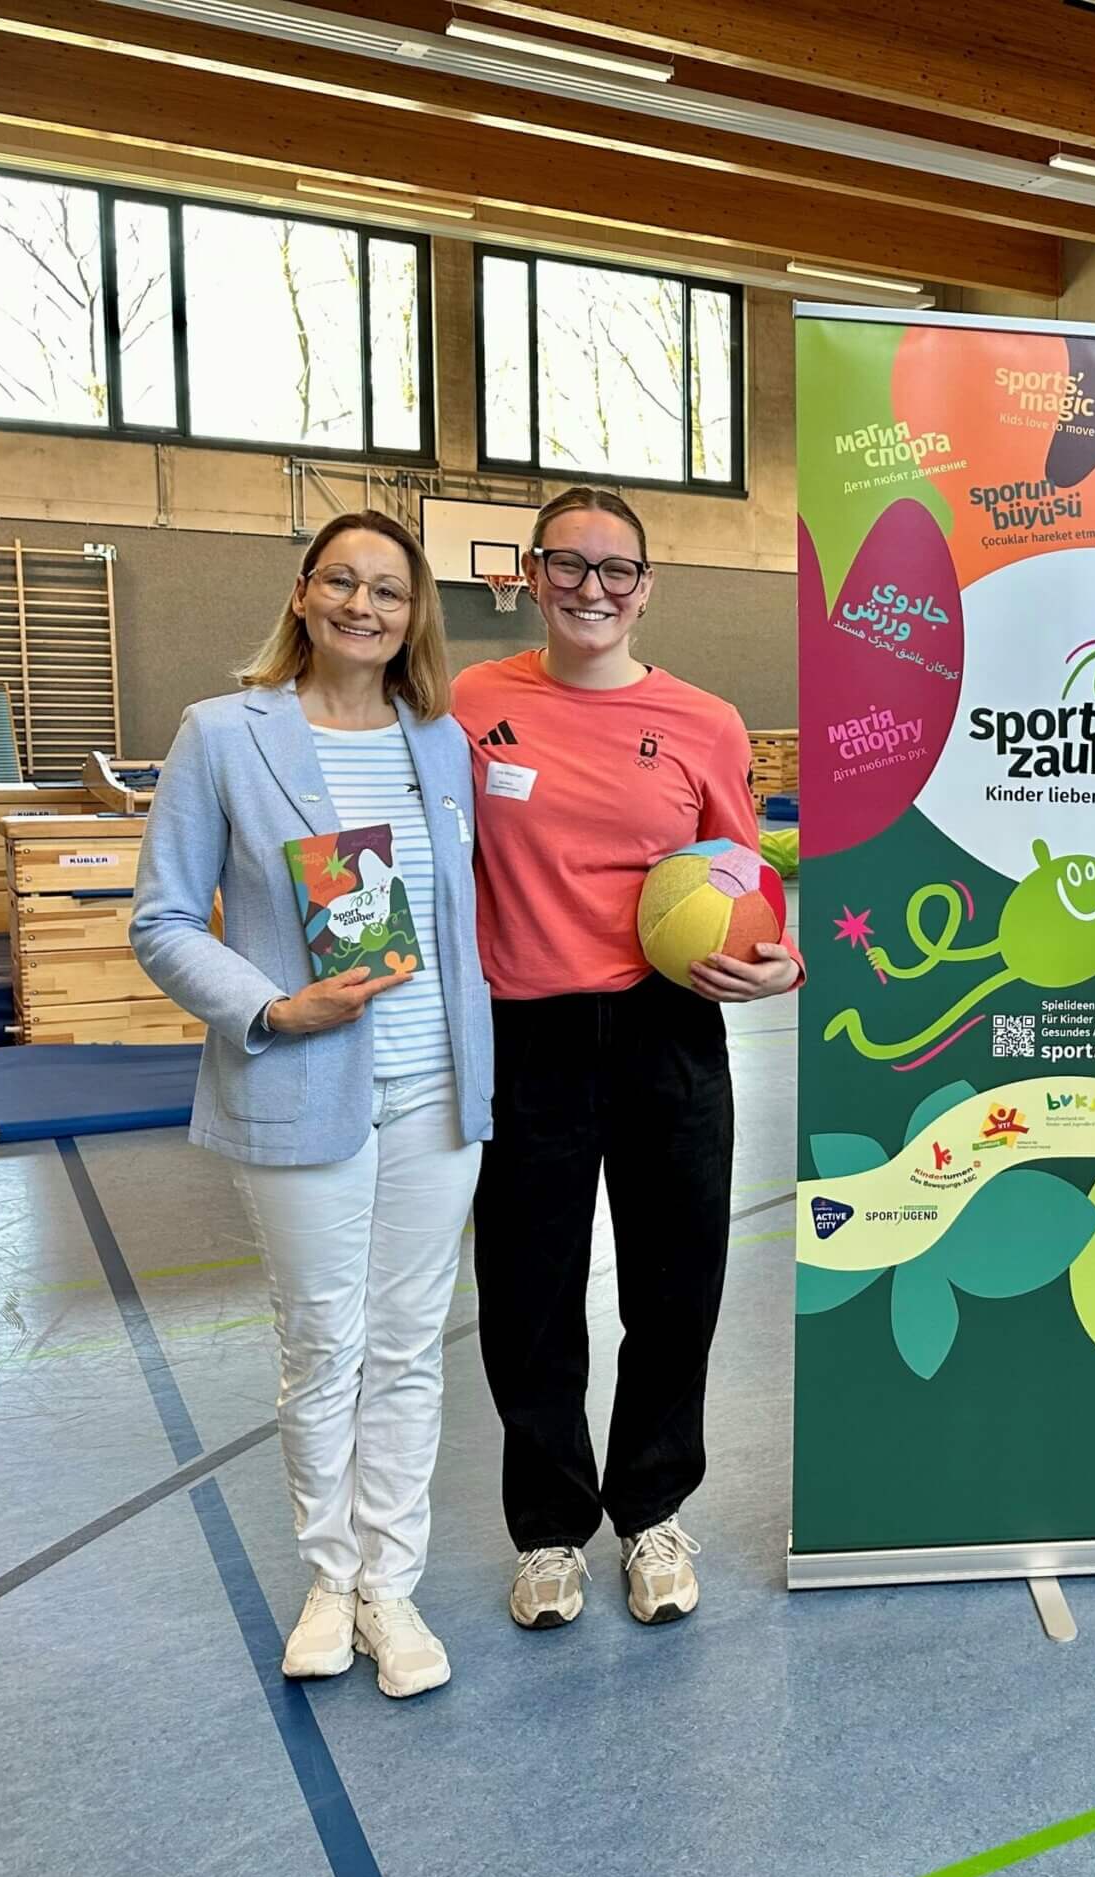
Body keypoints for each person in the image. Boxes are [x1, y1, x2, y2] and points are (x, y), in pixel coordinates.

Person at [132, 510, 490, 1700]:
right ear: (301, 593)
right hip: (301, 1078)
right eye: (341, 581)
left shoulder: (439, 740)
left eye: (387, 591)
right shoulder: (223, 734)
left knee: (405, 1350)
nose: (362, 606)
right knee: (321, 1341)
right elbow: (164, 921)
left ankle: (393, 1583)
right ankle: (328, 1577)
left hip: (438, 1086)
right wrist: (273, 1009)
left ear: (413, 614)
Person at [453, 485, 801, 1635]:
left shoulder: (702, 721)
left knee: (675, 1285)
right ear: (530, 574)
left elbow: (746, 884)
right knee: (529, 1299)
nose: (591, 588)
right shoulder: (468, 705)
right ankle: (550, 1532)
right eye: (568, 565)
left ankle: (653, 1508)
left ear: (646, 588)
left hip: (668, 1033)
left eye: (616, 570)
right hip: (528, 1039)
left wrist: (780, 963)